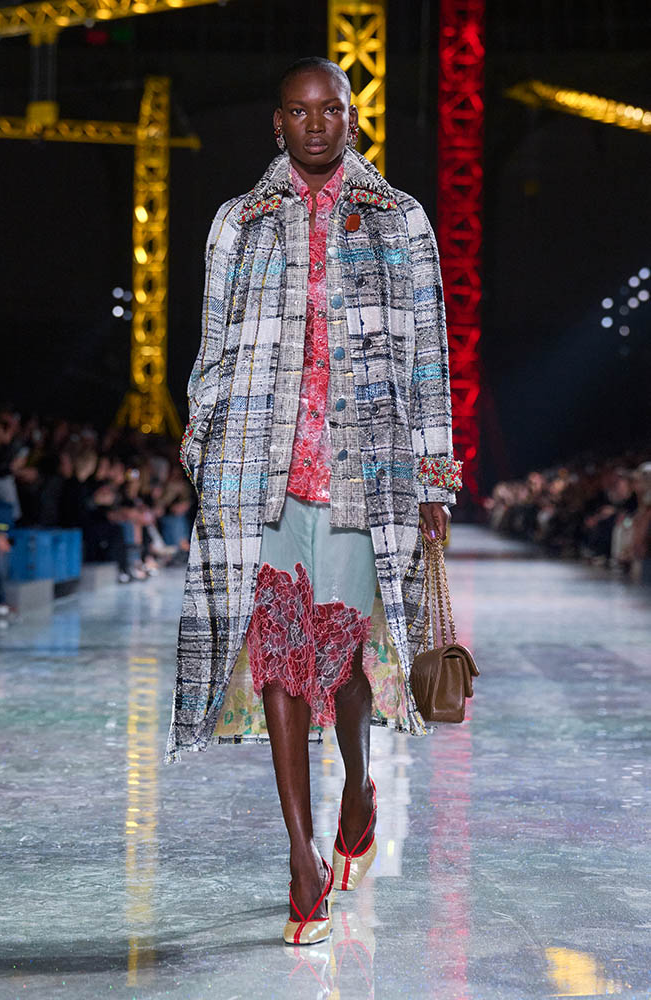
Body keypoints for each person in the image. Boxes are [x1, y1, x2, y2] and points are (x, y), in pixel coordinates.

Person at [165, 57, 462, 945]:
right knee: (276, 658)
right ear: (277, 123)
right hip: (258, 470)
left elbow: (428, 353)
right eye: (298, 112)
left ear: (351, 118)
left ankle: (358, 792)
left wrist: (433, 475)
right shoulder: (239, 222)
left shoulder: (400, 218)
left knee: (338, 658)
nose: (315, 124)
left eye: (329, 109)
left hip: (364, 471)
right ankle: (302, 859)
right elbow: (213, 344)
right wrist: (201, 445)